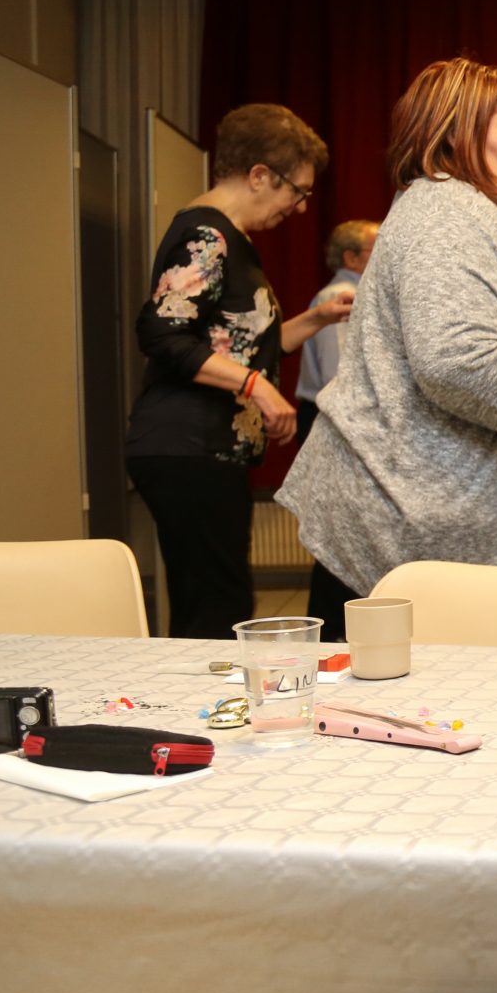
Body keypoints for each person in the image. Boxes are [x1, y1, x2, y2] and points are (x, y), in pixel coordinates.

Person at [279, 58, 497, 631]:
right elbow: (458, 362)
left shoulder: (452, 211)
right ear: (456, 135)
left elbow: (461, 344)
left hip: (422, 515)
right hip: (406, 521)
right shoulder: (445, 216)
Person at [124, 103, 348, 639]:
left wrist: (317, 318)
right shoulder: (207, 234)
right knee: (214, 611)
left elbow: (246, 345)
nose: (299, 207)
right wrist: (256, 387)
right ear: (259, 175)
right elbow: (161, 334)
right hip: (186, 444)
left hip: (209, 449)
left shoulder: (233, 238)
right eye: (297, 191)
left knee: (222, 602)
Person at [294, 219, 375, 444]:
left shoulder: (363, 293)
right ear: (351, 258)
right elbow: (338, 371)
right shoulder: (340, 297)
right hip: (335, 418)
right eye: (377, 248)